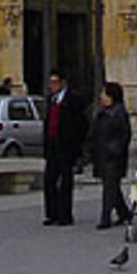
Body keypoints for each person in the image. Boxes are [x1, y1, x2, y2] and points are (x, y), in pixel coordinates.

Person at [42, 67, 89, 226]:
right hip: (52, 144)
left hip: (66, 146)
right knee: (49, 180)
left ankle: (65, 215)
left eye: (55, 82)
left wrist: (77, 145)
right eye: (50, 82)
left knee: (65, 182)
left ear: (63, 83)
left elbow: (81, 123)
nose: (52, 86)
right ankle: (51, 213)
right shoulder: (51, 99)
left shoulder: (73, 99)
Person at [91, 81, 132, 230]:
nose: (101, 96)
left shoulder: (118, 113)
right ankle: (124, 213)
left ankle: (105, 217)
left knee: (109, 187)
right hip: (101, 153)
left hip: (113, 156)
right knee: (112, 186)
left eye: (104, 93)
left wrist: (114, 149)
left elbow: (124, 135)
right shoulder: (101, 112)